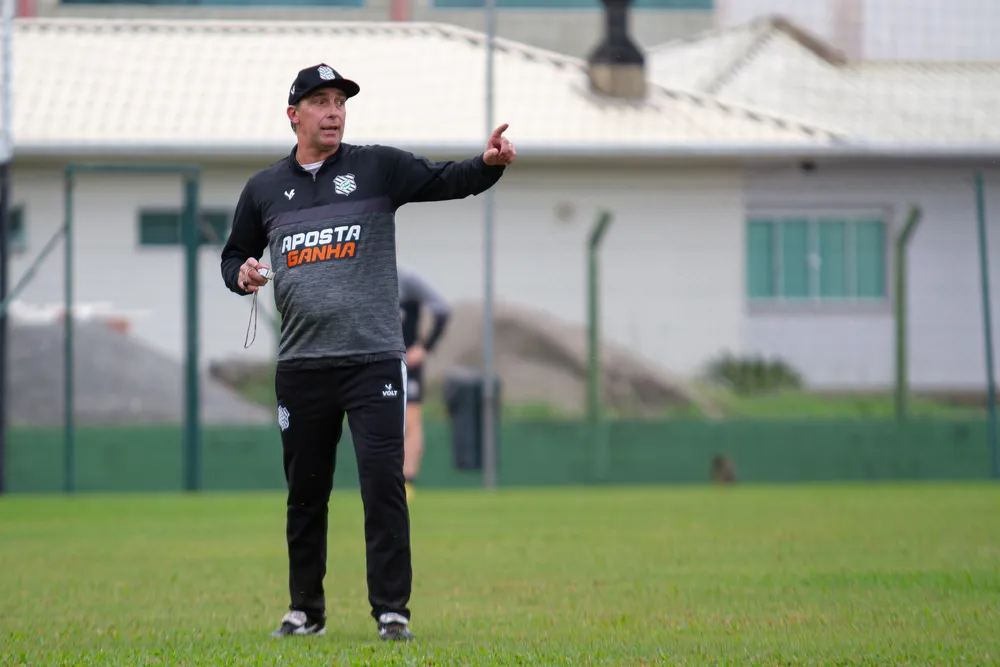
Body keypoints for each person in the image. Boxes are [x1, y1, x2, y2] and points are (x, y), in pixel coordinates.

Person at [219, 63, 516, 642]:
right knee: (306, 494)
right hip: (303, 367)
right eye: (320, 101)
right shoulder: (263, 189)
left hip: (374, 362)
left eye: (340, 101)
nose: (333, 110)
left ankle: (391, 612)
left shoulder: (376, 168)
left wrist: (488, 165)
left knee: (383, 486)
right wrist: (245, 274)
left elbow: (447, 179)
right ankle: (305, 611)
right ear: (294, 115)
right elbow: (233, 256)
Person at [396, 265, 452, 502]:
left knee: (411, 421)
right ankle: (386, 479)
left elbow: (442, 310)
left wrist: (425, 347)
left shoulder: (406, 279)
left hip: (408, 364)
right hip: (378, 362)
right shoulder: (364, 275)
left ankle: (407, 482)